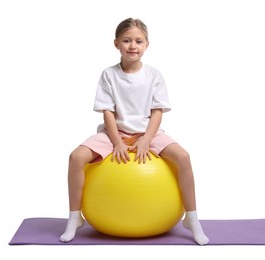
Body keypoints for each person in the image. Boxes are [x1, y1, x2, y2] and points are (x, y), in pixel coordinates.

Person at [59, 17, 209, 245]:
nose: (132, 46)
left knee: (184, 157)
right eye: (127, 40)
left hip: (147, 133)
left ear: (146, 45)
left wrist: (147, 139)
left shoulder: (154, 75)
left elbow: (158, 111)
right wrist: (117, 142)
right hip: (113, 133)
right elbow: (107, 111)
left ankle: (192, 218)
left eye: (138, 41)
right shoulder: (109, 75)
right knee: (76, 157)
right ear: (116, 43)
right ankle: (74, 217)